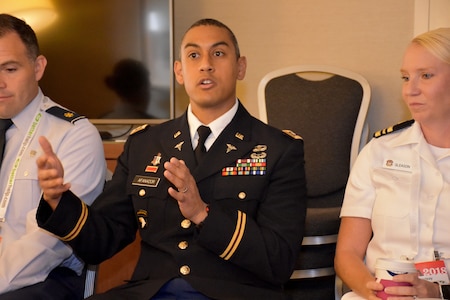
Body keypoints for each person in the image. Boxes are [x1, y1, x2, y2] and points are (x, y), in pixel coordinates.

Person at [35, 18, 307, 299]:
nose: (205, 65)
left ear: (241, 67)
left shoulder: (278, 149)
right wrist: (58, 201)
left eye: (218, 53)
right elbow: (102, 241)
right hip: (152, 292)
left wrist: (203, 214)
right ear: (179, 71)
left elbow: (279, 260)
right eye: (193, 55)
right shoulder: (144, 144)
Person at [335, 27, 450, 300]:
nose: (410, 90)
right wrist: (370, 290)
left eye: (426, 75)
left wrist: (438, 292)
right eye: (405, 77)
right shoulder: (379, 151)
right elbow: (348, 253)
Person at [0, 14, 106, 299]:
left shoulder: (73, 135)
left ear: (38, 67)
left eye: (9, 69)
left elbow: (49, 245)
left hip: (43, 279)